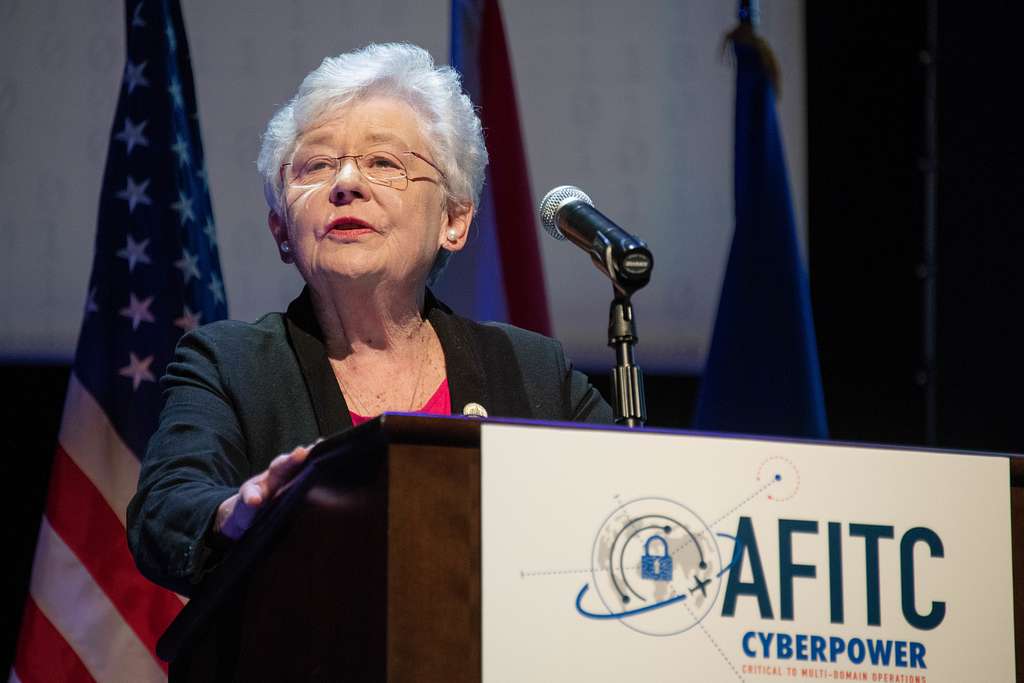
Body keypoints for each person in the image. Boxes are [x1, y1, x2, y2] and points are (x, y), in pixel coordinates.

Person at [127, 43, 612, 596]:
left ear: (454, 220)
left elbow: (628, 504)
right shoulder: (228, 366)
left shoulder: (529, 370)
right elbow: (164, 511)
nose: (346, 183)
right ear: (282, 230)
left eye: (384, 162)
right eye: (316, 166)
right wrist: (231, 513)